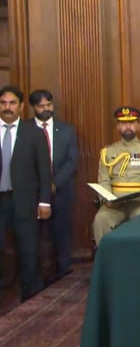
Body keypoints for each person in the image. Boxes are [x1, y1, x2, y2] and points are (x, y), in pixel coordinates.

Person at [0, 85, 51, 302]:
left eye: (12, 103)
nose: (7, 107)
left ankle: (31, 295)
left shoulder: (34, 133)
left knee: (28, 249)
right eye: (3, 103)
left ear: (21, 107)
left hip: (25, 201)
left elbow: (44, 171)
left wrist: (45, 202)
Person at [92, 106, 140, 246]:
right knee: (100, 219)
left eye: (132, 122)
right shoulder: (107, 152)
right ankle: (109, 262)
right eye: (123, 123)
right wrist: (108, 199)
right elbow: (103, 181)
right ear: (118, 127)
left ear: (138, 125)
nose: (128, 126)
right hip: (114, 205)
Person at [29, 89, 78, 281]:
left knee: (62, 232)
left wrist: (54, 183)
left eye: (49, 105)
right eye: (41, 106)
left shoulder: (66, 129)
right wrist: (41, 187)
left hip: (62, 190)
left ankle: (64, 271)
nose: (46, 109)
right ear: (34, 107)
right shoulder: (26, 129)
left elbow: (72, 160)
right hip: (33, 192)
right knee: (35, 235)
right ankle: (36, 273)